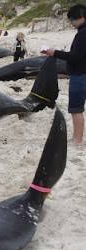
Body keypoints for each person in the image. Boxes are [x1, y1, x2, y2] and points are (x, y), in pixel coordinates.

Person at [41, 4, 86, 145]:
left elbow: (75, 57)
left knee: (76, 108)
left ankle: (77, 139)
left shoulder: (82, 34)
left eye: (72, 19)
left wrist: (54, 52)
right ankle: (78, 138)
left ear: (81, 17)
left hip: (80, 75)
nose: (71, 23)